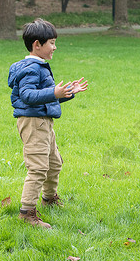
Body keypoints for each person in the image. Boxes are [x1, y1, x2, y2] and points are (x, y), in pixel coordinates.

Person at [8, 18, 88, 228]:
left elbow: (44, 97)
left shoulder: (39, 66)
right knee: (38, 167)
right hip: (33, 123)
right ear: (37, 44)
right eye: (51, 42)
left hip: (44, 122)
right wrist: (54, 92)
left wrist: (67, 93)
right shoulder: (31, 68)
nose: (55, 47)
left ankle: (49, 199)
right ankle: (27, 212)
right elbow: (27, 95)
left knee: (54, 163)